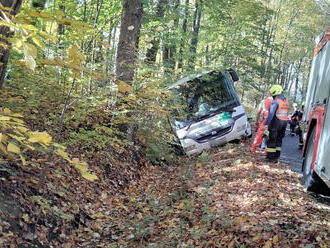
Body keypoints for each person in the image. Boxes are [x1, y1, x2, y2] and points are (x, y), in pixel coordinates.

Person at [263, 85, 290, 162]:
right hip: (284, 123)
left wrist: (266, 124)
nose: (273, 97)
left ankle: (270, 158)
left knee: (272, 140)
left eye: (273, 95)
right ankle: (276, 157)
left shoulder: (275, 102)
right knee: (279, 140)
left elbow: (271, 114)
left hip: (276, 122)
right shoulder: (286, 102)